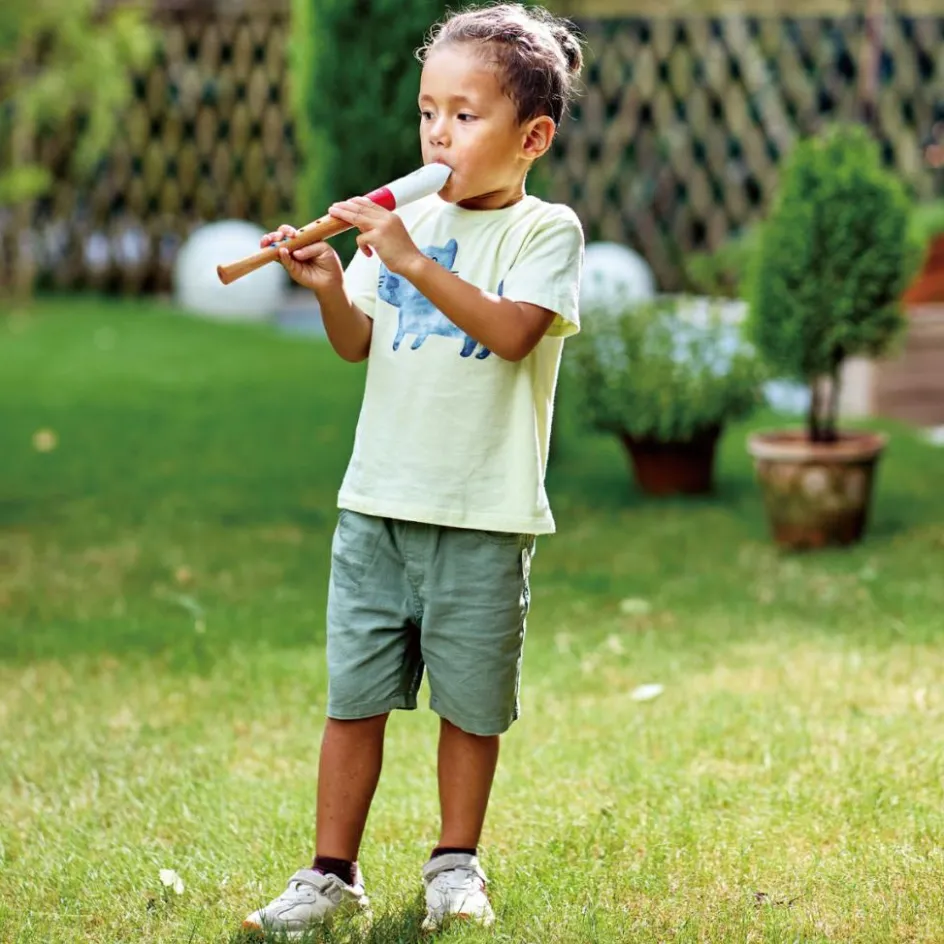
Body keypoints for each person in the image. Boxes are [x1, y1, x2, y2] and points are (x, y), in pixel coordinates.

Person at [243, 3, 585, 937]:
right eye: (429, 110)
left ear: (532, 137)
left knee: (469, 708)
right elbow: (360, 344)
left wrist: (409, 256)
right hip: (377, 505)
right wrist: (327, 289)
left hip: (483, 512)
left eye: (465, 115)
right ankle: (329, 872)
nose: (439, 131)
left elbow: (513, 334)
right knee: (354, 700)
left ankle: (454, 864)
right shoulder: (407, 217)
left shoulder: (544, 232)